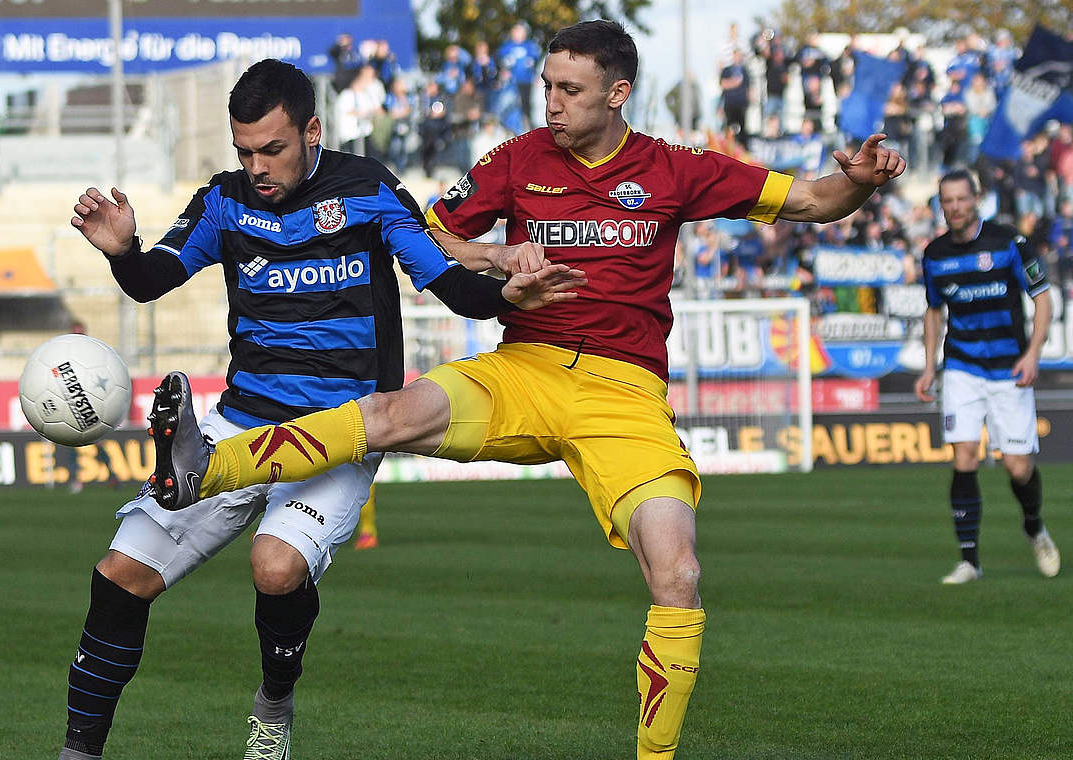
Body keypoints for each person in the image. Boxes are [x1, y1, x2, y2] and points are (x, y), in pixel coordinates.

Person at [150, 20, 906, 759]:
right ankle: (203, 468)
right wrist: (496, 254)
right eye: (547, 85)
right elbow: (427, 232)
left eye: (570, 90)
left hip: (625, 394)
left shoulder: (677, 167)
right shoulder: (514, 159)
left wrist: (860, 183)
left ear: (617, 93)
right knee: (386, 412)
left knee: (678, 574)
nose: (551, 102)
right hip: (524, 368)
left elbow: (813, 199)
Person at [57, 58, 583, 760]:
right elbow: (154, 279)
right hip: (242, 420)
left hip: (341, 433)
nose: (257, 166)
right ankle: (78, 753)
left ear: (312, 131)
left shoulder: (366, 190)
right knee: (120, 576)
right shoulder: (223, 200)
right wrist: (123, 251)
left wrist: (502, 298)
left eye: (272, 149)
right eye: (244, 151)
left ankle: (274, 704)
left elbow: (447, 282)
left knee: (274, 567)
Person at [912, 170, 1061, 585]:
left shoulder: (1009, 243)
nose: (956, 207)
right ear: (941, 205)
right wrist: (929, 367)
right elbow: (933, 309)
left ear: (976, 199)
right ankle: (969, 560)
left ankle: (1034, 526)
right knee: (964, 456)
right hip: (961, 366)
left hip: (1009, 368)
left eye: (962, 199)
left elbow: (1043, 297)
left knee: (1017, 467)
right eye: (948, 201)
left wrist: (1033, 354)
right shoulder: (935, 254)